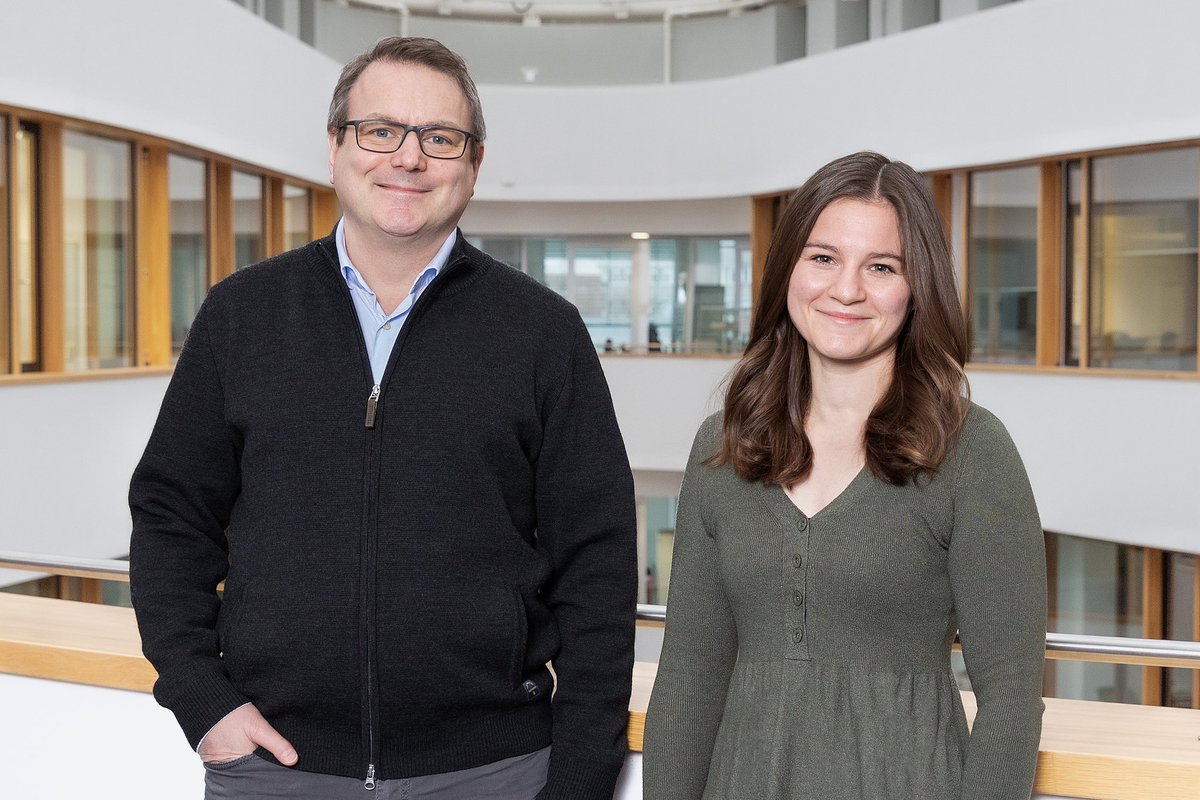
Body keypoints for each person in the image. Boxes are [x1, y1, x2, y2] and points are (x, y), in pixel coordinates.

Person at [129, 37, 636, 800]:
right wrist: (203, 700)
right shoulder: (243, 315)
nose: (408, 158)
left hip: (493, 773)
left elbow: (597, 562)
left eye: (440, 138)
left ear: (473, 162)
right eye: (380, 131)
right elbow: (171, 517)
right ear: (335, 148)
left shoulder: (543, 332)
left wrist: (581, 778)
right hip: (276, 771)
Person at [642, 151, 1046, 800]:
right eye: (823, 257)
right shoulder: (722, 447)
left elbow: (1012, 697)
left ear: (917, 290)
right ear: (788, 271)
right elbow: (690, 675)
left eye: (881, 267)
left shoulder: (971, 450)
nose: (847, 289)